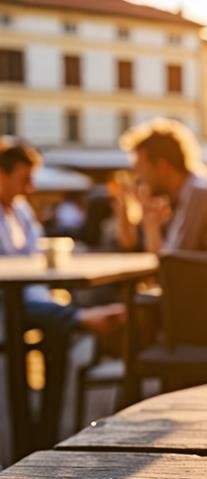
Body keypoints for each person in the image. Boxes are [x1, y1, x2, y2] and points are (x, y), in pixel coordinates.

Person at [0, 139, 124, 447]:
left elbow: (31, 255)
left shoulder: (20, 211)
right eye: (24, 179)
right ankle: (80, 318)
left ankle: (44, 433)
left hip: (27, 297)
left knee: (56, 329)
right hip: (7, 302)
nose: (30, 188)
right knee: (50, 317)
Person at [116, 119, 207, 253]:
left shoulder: (200, 195)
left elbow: (173, 262)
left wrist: (151, 226)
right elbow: (131, 244)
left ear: (162, 166)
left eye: (141, 169)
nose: (139, 178)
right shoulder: (197, 189)